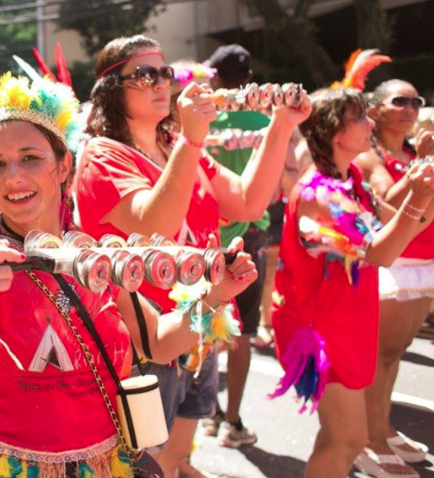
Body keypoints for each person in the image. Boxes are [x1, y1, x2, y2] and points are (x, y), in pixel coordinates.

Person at [0, 73, 257, 478]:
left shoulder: (95, 256)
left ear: (64, 164)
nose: (14, 175)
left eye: (31, 157)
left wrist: (217, 293)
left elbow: (158, 341)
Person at [74, 35, 310, 478]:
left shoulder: (176, 146)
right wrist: (191, 142)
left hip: (200, 322)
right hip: (146, 341)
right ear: (111, 87)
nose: (161, 82)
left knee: (180, 456)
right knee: (149, 465)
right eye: (144, 74)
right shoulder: (101, 157)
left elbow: (247, 202)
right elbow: (154, 226)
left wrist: (281, 125)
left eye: (166, 72)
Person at [270, 87, 434, 478]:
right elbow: (380, 252)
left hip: (348, 320)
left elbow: (402, 227)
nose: (370, 123)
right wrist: (418, 194)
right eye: (359, 117)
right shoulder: (319, 195)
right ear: (333, 132)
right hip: (320, 331)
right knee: (345, 439)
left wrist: (420, 189)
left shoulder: (351, 178)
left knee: (342, 437)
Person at [353, 79, 434, 477]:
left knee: (396, 353)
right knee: (380, 356)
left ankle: (382, 426)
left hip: (423, 264)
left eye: (415, 101)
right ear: (375, 109)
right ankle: (370, 441)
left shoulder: (411, 151)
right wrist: (424, 162)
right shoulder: (369, 155)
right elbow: (387, 206)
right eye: (399, 100)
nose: (409, 108)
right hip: (392, 265)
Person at [199, 44, 270, 448]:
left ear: (219, 77)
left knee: (207, 324)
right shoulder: (264, 120)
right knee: (242, 332)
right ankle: (233, 421)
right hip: (251, 232)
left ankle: (208, 412)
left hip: (209, 230)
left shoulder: (204, 120)